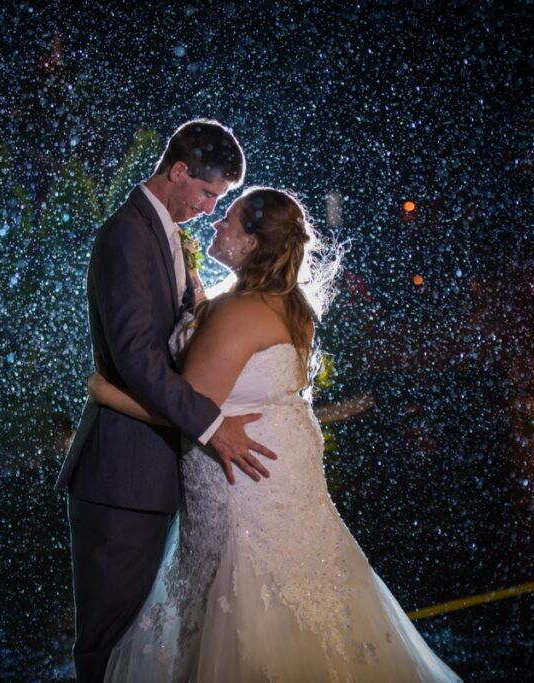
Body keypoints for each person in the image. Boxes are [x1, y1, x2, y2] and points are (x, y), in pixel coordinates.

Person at [89, 188, 463, 682]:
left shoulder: (236, 313)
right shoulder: (290, 304)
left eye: (230, 219)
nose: (217, 223)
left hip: (242, 476)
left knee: (243, 608)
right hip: (282, 478)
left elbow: (189, 407)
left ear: (251, 244)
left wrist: (106, 394)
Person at [55, 120, 278, 682]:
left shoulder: (166, 235)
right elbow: (137, 358)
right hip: (121, 476)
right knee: (109, 643)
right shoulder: (127, 235)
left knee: (146, 643)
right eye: (207, 193)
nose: (208, 209)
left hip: (156, 473)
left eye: (218, 200)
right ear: (178, 171)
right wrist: (213, 425)